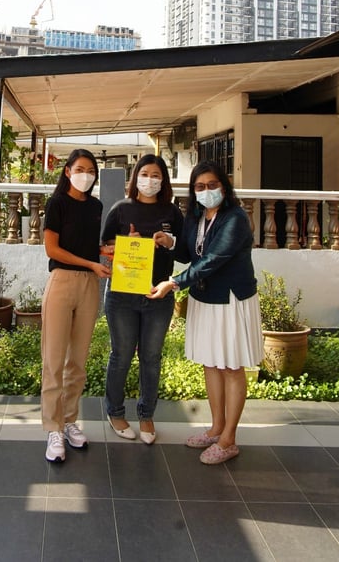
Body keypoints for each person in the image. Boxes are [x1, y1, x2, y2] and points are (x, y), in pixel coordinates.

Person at [149, 160, 263, 464]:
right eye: (200, 186)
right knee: (211, 364)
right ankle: (215, 428)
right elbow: (189, 252)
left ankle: (229, 440)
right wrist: (169, 241)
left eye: (212, 185)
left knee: (230, 367)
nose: (207, 191)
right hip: (204, 298)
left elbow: (212, 260)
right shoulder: (197, 216)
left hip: (230, 301)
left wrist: (172, 283)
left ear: (224, 187)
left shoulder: (235, 219)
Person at [101, 154, 183, 444]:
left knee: (151, 358)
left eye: (156, 175)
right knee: (121, 355)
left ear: (163, 180)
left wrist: (170, 242)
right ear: (136, 178)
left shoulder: (172, 213)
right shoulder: (121, 210)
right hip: (122, 297)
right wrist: (125, 243)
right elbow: (103, 246)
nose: (150, 180)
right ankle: (115, 411)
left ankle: (147, 415)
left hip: (158, 296)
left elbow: (184, 252)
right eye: (145, 174)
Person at [41, 148, 111, 463]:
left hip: (89, 285)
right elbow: (52, 249)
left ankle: (70, 421)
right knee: (54, 361)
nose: (86, 174)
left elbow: (85, 244)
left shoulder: (95, 206)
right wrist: (91, 263)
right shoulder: (56, 203)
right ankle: (53, 429)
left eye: (91, 170)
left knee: (78, 362)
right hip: (62, 283)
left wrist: (106, 252)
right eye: (80, 168)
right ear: (68, 171)